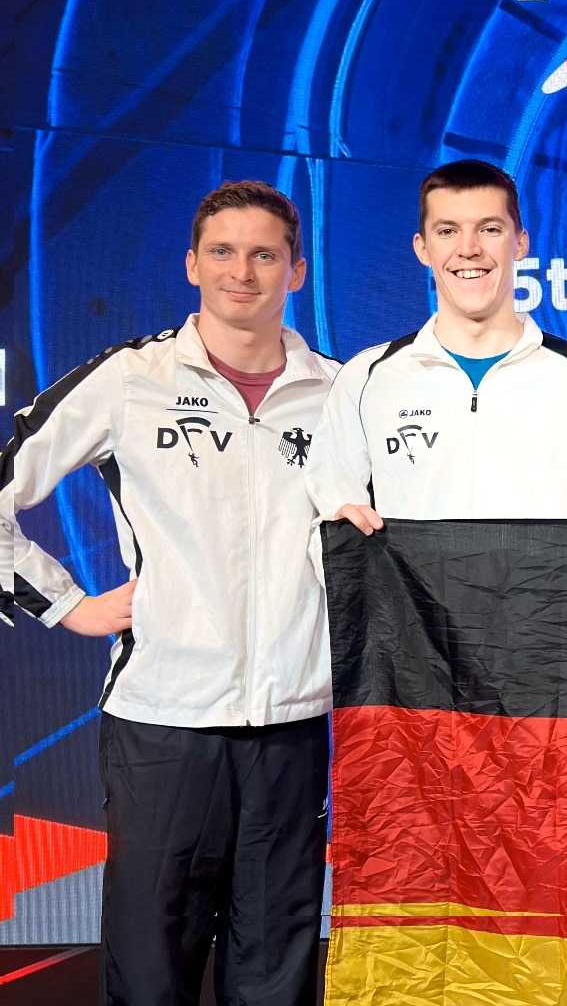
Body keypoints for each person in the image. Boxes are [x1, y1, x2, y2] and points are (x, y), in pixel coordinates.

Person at [0, 182, 338, 1006]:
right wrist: (66, 604)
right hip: (163, 721)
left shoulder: (339, 392)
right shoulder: (131, 379)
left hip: (293, 724)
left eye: (264, 254)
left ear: (297, 270)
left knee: (278, 974)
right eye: (222, 251)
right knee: (153, 973)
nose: (241, 272)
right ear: (192, 264)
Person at [306, 159, 567, 531]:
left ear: (520, 243)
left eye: (489, 229)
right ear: (422, 248)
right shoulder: (365, 379)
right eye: (447, 231)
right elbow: (336, 533)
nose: (468, 249)